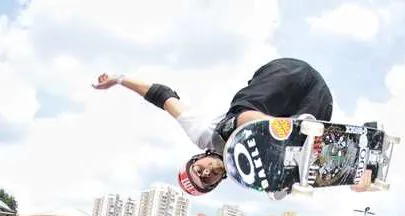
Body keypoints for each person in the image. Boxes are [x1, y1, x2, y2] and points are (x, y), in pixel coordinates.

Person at [92, 58, 374, 197]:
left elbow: (163, 96)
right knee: (287, 180)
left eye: (198, 169)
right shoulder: (256, 178)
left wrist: (119, 79)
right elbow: (313, 173)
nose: (206, 172)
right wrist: (353, 177)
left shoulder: (201, 133)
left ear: (198, 157)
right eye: (208, 179)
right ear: (218, 182)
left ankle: (292, 131)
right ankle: (312, 137)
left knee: (235, 123)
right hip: (317, 102)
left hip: (284, 77)